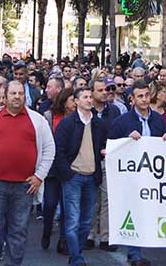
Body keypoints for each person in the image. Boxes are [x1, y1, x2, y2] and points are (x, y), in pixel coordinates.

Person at [0, 80, 54, 266]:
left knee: (18, 230)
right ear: (5, 97)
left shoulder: (37, 120)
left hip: (25, 186)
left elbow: (49, 149)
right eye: (13, 94)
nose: (17, 97)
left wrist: (39, 176)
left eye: (20, 93)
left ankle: (12, 263)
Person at [108, 81, 164, 265]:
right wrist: (126, 140)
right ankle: (135, 253)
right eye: (140, 96)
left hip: (153, 175)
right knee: (133, 211)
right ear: (132, 99)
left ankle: (147, 243)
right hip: (131, 177)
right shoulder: (122, 122)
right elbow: (110, 146)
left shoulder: (157, 119)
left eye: (147, 95)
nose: (144, 99)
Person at [53, 86, 108, 266]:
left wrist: (104, 152)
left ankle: (76, 251)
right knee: (72, 220)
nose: (89, 100)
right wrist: (67, 174)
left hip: (92, 177)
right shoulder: (67, 124)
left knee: (86, 220)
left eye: (90, 97)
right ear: (76, 101)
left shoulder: (98, 124)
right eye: (85, 97)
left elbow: (102, 146)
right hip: (73, 177)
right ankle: (77, 258)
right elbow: (59, 151)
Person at [86, 79, 122, 251]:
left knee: (107, 199)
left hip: (109, 159)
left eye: (106, 89)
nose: (104, 92)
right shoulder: (86, 110)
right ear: (92, 92)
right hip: (88, 160)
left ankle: (107, 236)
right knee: (92, 199)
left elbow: (119, 133)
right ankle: (90, 234)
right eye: (100, 90)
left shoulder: (114, 111)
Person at [42, 88, 76, 255]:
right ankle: (47, 230)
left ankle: (63, 240)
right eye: (72, 100)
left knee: (67, 206)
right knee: (49, 203)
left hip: (70, 167)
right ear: (64, 102)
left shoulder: (79, 118)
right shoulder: (49, 117)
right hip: (52, 168)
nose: (75, 103)